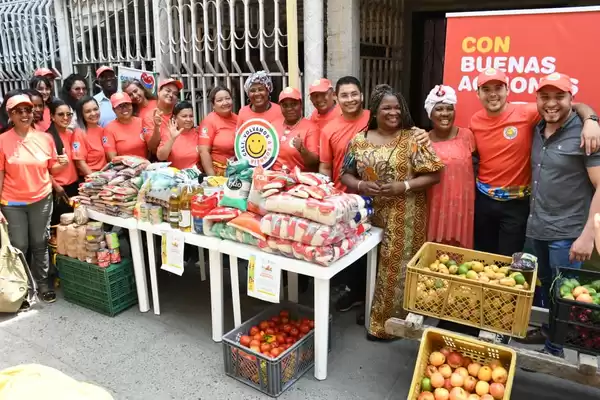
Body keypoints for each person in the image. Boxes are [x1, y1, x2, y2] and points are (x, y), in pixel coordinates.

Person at [341, 84, 443, 340]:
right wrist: (363, 185)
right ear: (375, 111)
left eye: (397, 107)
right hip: (370, 212)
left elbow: (435, 174)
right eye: (387, 107)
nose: (393, 112)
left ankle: (386, 325)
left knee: (395, 268)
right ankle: (371, 307)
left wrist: (403, 185)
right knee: (367, 264)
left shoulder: (413, 138)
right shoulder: (358, 140)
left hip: (405, 213)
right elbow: (346, 174)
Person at [470, 68, 600, 257]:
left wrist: (591, 120)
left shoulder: (528, 112)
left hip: (517, 204)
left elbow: (573, 106)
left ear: (508, 90)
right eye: (486, 89)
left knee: (508, 263)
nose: (493, 94)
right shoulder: (475, 121)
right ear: (478, 93)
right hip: (484, 200)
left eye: (498, 87)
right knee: (481, 257)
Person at [525, 73, 600, 357]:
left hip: (568, 234)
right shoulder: (537, 128)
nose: (551, 103)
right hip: (539, 228)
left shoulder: (585, 133)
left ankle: (554, 350)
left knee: (564, 294)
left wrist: (587, 235)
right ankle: (549, 333)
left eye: (560, 97)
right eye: (545, 97)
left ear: (572, 98)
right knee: (548, 287)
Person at [0, 94, 68, 303]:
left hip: (41, 198)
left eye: (27, 110)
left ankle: (43, 284)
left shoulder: (44, 138)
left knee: (40, 242)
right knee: (19, 245)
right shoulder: (2, 140)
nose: (24, 114)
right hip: (13, 202)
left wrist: (62, 164)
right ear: (10, 115)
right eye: (18, 111)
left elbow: (50, 168)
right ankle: (23, 287)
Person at [424, 85, 475, 249]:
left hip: (463, 208)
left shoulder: (467, 136)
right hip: (433, 208)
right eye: (438, 109)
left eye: (449, 108)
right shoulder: (422, 140)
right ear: (430, 113)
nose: (445, 113)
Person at [319, 76, 371, 191]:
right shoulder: (328, 130)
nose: (350, 99)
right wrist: (327, 192)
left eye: (354, 94)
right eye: (344, 96)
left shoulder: (376, 120)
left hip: (376, 195)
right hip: (343, 198)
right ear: (336, 99)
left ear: (361, 96)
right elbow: (325, 168)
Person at [47, 99, 80, 225]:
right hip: (59, 190)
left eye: (69, 114)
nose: (66, 117)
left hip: (74, 186)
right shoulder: (47, 138)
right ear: (52, 117)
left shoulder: (71, 134)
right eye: (61, 114)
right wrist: (57, 187)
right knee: (60, 227)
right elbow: (43, 169)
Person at [271, 87, 319, 172]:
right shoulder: (273, 125)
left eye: (293, 104)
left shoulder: (311, 128)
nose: (289, 108)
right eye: (285, 105)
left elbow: (314, 163)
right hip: (274, 177)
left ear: (300, 104)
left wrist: (302, 150)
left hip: (298, 179)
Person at [199, 86, 238, 176]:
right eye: (219, 100)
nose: (225, 102)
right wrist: (212, 178)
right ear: (213, 105)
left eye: (228, 98)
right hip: (217, 173)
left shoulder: (238, 119)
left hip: (237, 171)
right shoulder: (209, 121)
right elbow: (203, 151)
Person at [141, 78, 182, 156]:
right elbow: (152, 147)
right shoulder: (149, 116)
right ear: (159, 92)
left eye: (175, 93)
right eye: (168, 91)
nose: (171, 95)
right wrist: (157, 127)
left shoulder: (180, 113)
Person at [157, 101, 201, 170]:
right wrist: (172, 139)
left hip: (196, 177)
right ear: (175, 118)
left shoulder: (198, 132)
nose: (188, 119)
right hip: (177, 177)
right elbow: (161, 157)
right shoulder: (169, 133)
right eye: (184, 116)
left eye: (191, 116)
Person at [103, 92, 148, 159]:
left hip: (146, 165)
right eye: (119, 106)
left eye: (127, 104)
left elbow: (151, 146)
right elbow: (112, 158)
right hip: (123, 167)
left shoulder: (141, 122)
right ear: (113, 110)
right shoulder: (109, 129)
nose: (124, 108)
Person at [72, 96, 108, 175]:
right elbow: (80, 163)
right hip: (90, 180)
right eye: (88, 111)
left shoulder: (102, 130)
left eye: (95, 109)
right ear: (81, 115)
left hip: (105, 177)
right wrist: (94, 179)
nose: (93, 113)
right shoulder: (79, 133)